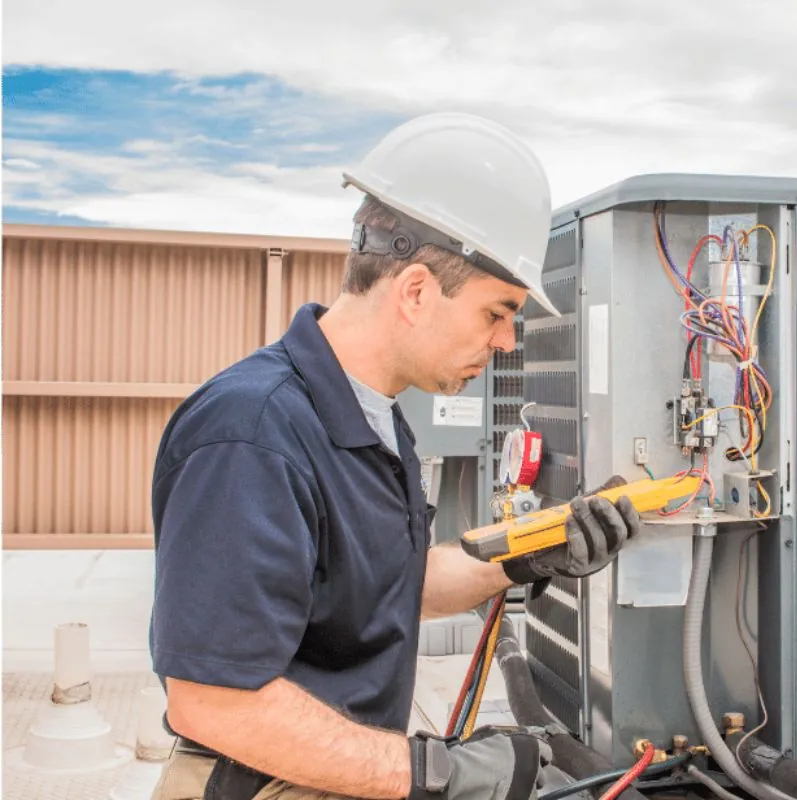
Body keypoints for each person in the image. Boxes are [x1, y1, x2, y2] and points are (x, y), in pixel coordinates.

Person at [148, 113, 642, 800]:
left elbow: (389, 589)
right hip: (259, 781)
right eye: (495, 313)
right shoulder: (252, 434)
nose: (506, 341)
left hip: (332, 772)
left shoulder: (375, 418)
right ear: (414, 291)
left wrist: (531, 552)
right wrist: (439, 774)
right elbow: (214, 700)